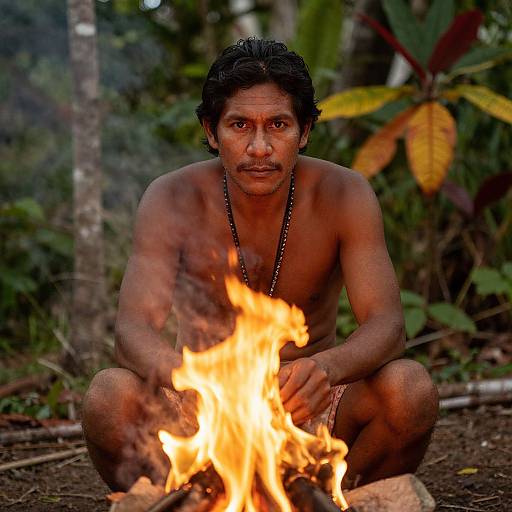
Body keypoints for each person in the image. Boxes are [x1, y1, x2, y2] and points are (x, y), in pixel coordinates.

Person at [82, 38, 438, 492]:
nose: (259, 147)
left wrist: (326, 369)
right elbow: (132, 332)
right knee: (108, 397)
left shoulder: (344, 194)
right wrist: (199, 380)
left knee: (409, 390)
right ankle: (195, 499)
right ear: (212, 133)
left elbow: (387, 324)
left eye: (278, 124)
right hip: (200, 413)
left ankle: (325, 498)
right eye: (239, 125)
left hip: (312, 413)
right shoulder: (170, 198)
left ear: (304, 130)